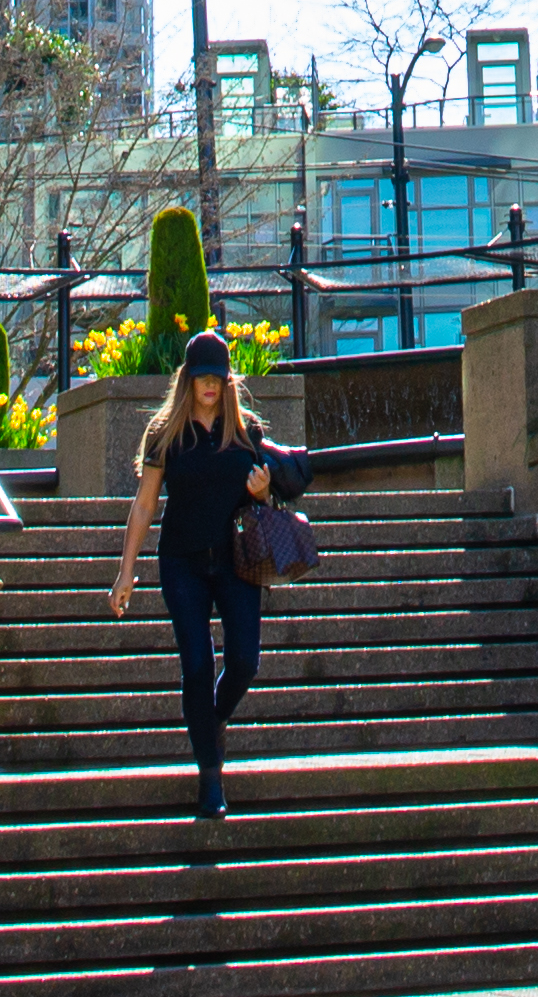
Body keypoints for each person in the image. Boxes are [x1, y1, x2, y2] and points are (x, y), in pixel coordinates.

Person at [105, 328, 309, 820]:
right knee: (196, 665)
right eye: (202, 378)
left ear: (227, 381)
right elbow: (145, 504)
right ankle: (210, 777)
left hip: (237, 560)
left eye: (218, 377)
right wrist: (125, 572)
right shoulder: (166, 434)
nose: (211, 386)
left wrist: (261, 493)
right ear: (188, 381)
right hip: (182, 563)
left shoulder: (245, 432)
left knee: (244, 663)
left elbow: (270, 495)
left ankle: (208, 722)